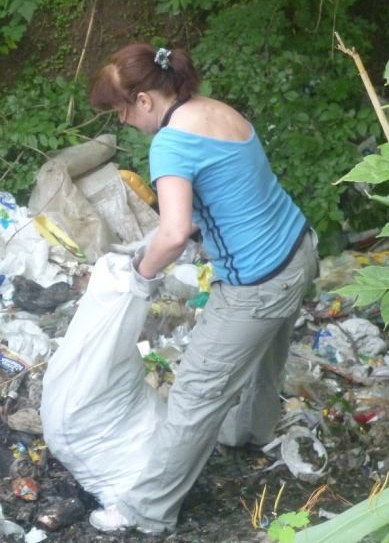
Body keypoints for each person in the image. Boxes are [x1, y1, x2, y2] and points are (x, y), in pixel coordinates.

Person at [86, 43, 319, 533]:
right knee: (263, 356)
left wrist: (141, 274)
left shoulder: (171, 144)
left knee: (195, 392)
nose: (124, 121)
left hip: (256, 283)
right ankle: (249, 434)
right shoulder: (213, 110)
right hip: (297, 250)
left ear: (145, 100)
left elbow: (173, 234)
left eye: (121, 111)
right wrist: (154, 242)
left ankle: (145, 512)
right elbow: (222, 195)